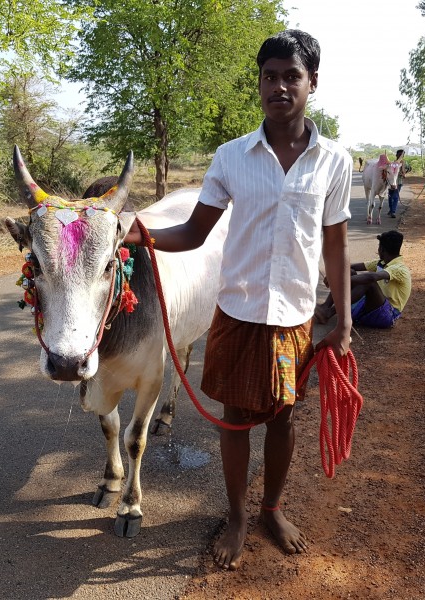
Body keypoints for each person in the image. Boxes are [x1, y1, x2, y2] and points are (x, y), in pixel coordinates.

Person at [124, 29, 352, 570]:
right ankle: (236, 515)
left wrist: (342, 320)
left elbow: (337, 247)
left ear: (311, 84)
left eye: (291, 77)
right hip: (237, 313)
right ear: (259, 83)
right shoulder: (230, 157)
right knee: (233, 420)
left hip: (294, 317)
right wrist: (132, 232)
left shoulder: (333, 162)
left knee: (283, 418)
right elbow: (195, 232)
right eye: (269, 76)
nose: (279, 87)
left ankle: (271, 509)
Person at [314, 230, 411, 329]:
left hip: (388, 314)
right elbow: (351, 267)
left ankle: (329, 312)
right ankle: (326, 307)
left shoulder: (400, 269)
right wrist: (334, 274)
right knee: (349, 272)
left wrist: (339, 279)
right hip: (372, 306)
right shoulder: (382, 262)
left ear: (381, 249)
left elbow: (372, 277)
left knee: (368, 281)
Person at [386, 149, 405, 218]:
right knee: (390, 197)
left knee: (395, 196)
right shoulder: (392, 163)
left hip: (398, 182)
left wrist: (402, 172)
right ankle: (391, 209)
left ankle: (393, 211)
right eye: (399, 155)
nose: (400, 156)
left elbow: (406, 171)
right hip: (391, 182)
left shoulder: (403, 163)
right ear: (396, 155)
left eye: (402, 155)